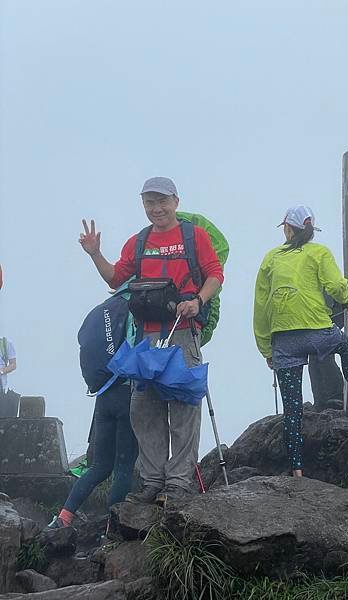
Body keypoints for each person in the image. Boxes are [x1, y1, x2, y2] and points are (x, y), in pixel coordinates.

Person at [79, 177, 224, 504]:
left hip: (183, 329)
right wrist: (95, 253)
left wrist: (198, 300)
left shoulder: (193, 236)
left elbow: (215, 273)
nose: (156, 209)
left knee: (183, 405)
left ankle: (178, 481)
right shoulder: (138, 241)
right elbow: (116, 278)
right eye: (149, 202)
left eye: (162, 201)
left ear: (175, 200)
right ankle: (153, 481)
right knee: (144, 409)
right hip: (146, 336)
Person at [253, 205, 348, 478]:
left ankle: (297, 469)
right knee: (344, 347)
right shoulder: (319, 252)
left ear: (287, 228)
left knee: (293, 407)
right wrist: (345, 296)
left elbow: (261, 307)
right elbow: (336, 287)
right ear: (310, 229)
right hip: (318, 331)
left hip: (284, 340)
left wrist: (266, 348)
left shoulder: (271, 258)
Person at [48, 383, 138, 528]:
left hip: (103, 397)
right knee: (123, 467)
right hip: (127, 396)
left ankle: (63, 519)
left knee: (99, 467)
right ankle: (113, 526)